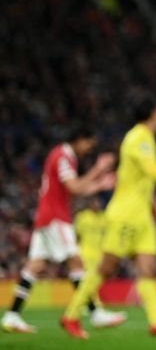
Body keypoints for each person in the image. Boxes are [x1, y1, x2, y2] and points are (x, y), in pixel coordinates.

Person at [60, 93, 156, 339]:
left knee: (148, 269)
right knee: (107, 268)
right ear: (154, 114)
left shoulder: (144, 139)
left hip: (142, 217)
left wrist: (151, 199)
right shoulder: (138, 138)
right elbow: (152, 171)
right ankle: (71, 315)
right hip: (125, 215)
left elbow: (133, 175)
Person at [1, 125, 125, 334]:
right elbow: (74, 187)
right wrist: (98, 169)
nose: (88, 149)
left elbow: (73, 191)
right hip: (55, 218)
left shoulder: (62, 156)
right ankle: (95, 313)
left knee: (35, 266)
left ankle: (12, 315)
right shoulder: (63, 156)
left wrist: (99, 185)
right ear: (79, 138)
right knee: (76, 262)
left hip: (46, 216)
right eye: (88, 144)